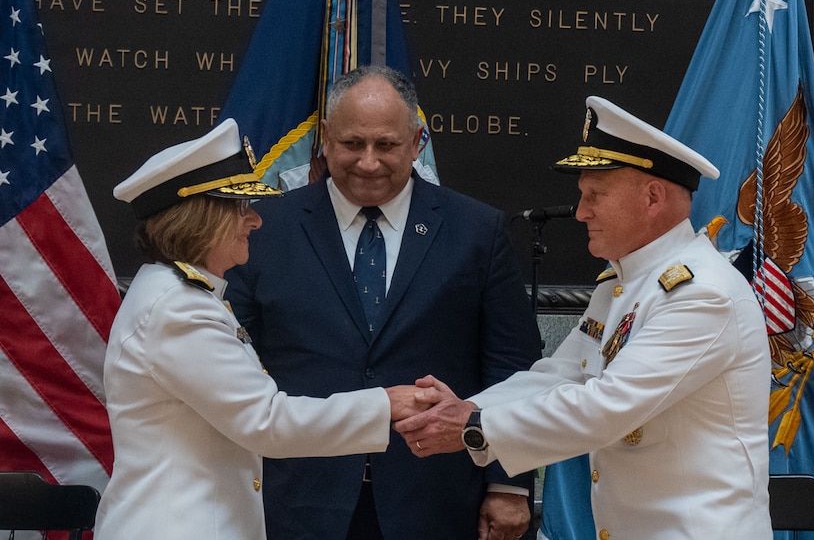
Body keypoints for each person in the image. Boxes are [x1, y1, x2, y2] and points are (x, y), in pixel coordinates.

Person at [394, 96, 773, 539]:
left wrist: (474, 429)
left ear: (653, 197)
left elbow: (607, 406)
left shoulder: (701, 294)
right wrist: (470, 408)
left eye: (595, 196)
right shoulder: (623, 284)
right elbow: (560, 375)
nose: (580, 212)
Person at [224, 65, 542, 540]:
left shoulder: (477, 230)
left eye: (387, 145)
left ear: (418, 141)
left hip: (434, 498)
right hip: (296, 496)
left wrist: (509, 485)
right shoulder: (262, 229)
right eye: (352, 144)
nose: (368, 162)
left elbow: (511, 364)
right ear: (326, 139)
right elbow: (234, 361)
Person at [94, 118, 426, 539]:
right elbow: (266, 423)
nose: (256, 222)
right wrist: (385, 404)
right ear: (202, 219)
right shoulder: (179, 309)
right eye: (241, 208)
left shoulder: (185, 295)